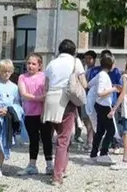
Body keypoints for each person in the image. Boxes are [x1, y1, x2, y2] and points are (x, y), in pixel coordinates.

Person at [43, 39, 88, 186]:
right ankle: (57, 176)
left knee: (64, 138)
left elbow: (46, 85)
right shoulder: (76, 62)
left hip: (50, 101)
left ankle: (63, 169)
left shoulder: (51, 63)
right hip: (66, 101)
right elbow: (84, 83)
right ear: (74, 51)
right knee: (63, 140)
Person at [17, 53, 53, 176]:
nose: (30, 66)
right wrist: (39, 98)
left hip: (44, 113)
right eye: (29, 63)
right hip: (30, 113)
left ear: (39, 65)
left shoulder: (44, 76)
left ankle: (49, 165)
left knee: (47, 138)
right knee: (33, 139)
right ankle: (32, 165)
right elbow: (23, 93)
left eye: (33, 64)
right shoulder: (22, 77)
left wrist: (43, 99)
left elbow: (48, 92)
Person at [89, 54, 117, 164]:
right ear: (111, 65)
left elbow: (90, 84)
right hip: (104, 106)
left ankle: (93, 154)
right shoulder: (104, 76)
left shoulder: (100, 74)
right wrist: (113, 89)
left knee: (100, 131)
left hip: (100, 105)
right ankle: (103, 153)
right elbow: (100, 92)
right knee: (111, 130)